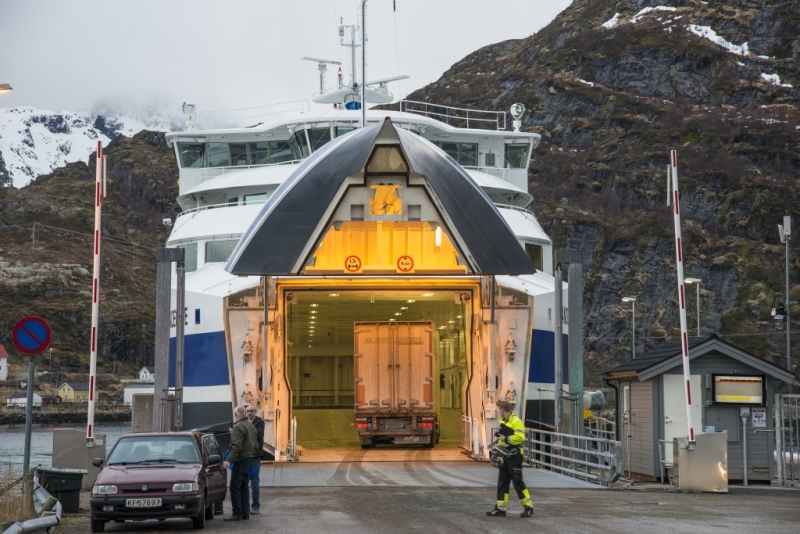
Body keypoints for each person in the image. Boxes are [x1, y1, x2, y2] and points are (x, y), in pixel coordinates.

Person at [486, 399, 534, 518]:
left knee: (518, 482)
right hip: (505, 456)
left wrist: (505, 438)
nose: (499, 412)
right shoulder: (504, 421)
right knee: (502, 483)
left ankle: (528, 507)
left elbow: (520, 437)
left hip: (514, 456)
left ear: (503, 409)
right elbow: (502, 439)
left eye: (499, 409)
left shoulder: (516, 421)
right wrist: (498, 452)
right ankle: (500, 509)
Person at [223, 405, 257, 521]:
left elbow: (236, 447)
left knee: (235, 487)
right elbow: (256, 445)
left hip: (240, 461)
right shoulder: (251, 426)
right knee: (244, 487)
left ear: (236, 414)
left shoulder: (238, 427)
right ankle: (245, 513)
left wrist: (228, 460)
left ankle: (236, 513)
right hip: (249, 460)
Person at [245, 404, 265, 514]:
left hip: (255, 456)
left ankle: (255, 507)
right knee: (244, 482)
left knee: (254, 482)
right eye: (247, 411)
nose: (249, 413)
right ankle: (245, 507)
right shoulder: (242, 422)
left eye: (252, 411)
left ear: (255, 412)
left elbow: (259, 434)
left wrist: (246, 430)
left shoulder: (259, 422)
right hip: (244, 456)